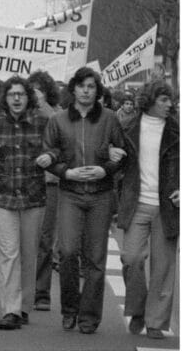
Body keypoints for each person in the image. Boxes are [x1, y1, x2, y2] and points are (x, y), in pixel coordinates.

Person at [37, 66, 126, 334]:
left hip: (100, 195)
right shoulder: (59, 120)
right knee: (66, 253)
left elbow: (122, 155)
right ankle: (69, 310)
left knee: (96, 260)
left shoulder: (109, 119)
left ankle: (89, 317)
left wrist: (106, 169)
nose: (86, 91)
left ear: (97, 91)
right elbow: (49, 154)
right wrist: (66, 171)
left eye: (91, 86)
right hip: (70, 193)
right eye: (82, 85)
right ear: (73, 88)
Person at [0, 76, 50, 330]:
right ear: (4, 99)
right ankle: (10, 309)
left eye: (21, 94)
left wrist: (50, 155)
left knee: (29, 253)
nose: (16, 99)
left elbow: (57, 147)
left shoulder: (42, 120)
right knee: (9, 253)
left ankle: (24, 306)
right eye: (11, 95)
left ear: (28, 97)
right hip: (4, 196)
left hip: (33, 196)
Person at [117, 80, 178, 340]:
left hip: (167, 205)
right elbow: (117, 163)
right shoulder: (129, 127)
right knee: (131, 259)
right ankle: (138, 309)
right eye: (164, 100)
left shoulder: (177, 131)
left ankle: (155, 322)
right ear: (151, 101)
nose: (170, 104)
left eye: (171, 100)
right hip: (136, 203)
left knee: (163, 268)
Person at [27, 69, 61, 311]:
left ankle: (41, 292)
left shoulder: (57, 117)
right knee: (25, 239)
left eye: (37, 90)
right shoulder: (21, 116)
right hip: (26, 183)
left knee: (46, 239)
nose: (32, 95)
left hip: (49, 183)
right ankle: (24, 288)